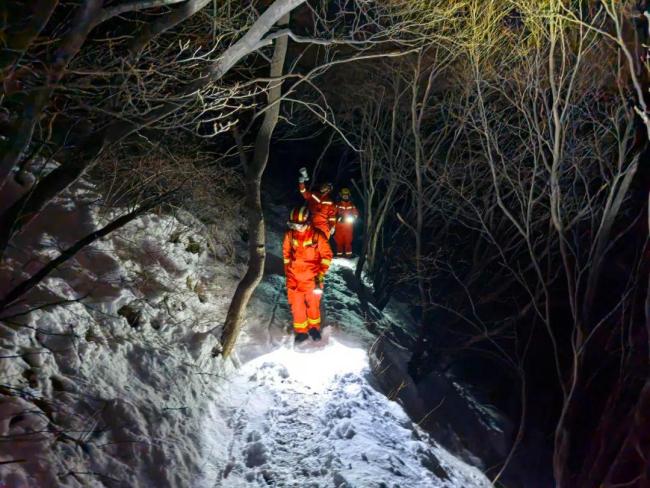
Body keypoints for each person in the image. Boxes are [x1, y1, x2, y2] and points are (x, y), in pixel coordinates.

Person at [282, 206, 333, 342]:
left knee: (313, 305)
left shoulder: (318, 236)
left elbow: (327, 256)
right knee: (297, 306)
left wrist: (320, 274)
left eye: (298, 225)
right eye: (293, 225)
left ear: (307, 222)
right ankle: (301, 332)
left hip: (313, 279)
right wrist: (288, 273)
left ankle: (314, 328)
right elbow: (286, 255)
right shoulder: (290, 235)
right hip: (294, 279)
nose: (296, 228)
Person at [298, 167, 337, 238]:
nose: (323, 187)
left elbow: (332, 216)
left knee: (321, 245)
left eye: (325, 186)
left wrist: (332, 226)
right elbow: (304, 192)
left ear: (329, 189)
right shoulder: (314, 194)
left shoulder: (330, 202)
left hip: (323, 226)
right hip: (310, 223)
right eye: (323, 185)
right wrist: (301, 183)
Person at [334, 187, 359, 257]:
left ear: (349, 195)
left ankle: (348, 257)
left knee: (348, 242)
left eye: (346, 195)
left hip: (348, 228)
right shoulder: (337, 205)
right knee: (339, 242)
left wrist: (352, 217)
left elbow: (356, 214)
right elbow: (332, 214)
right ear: (341, 195)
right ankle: (339, 257)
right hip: (339, 228)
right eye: (344, 195)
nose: (345, 196)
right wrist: (338, 218)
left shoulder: (352, 205)